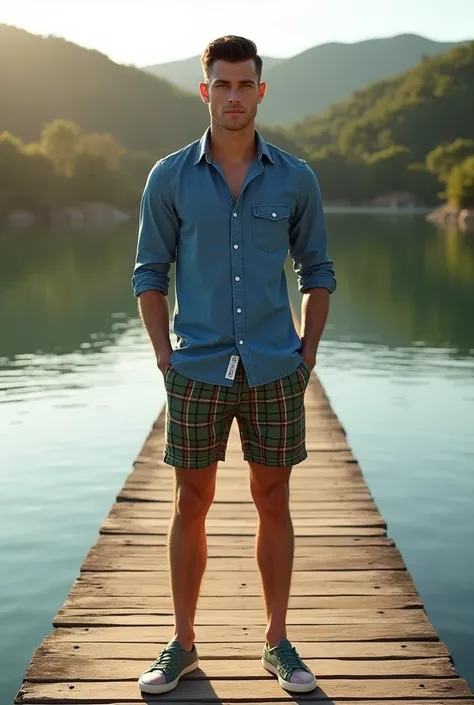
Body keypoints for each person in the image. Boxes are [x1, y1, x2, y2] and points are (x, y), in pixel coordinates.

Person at [132, 35, 336, 696]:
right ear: (205, 91)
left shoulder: (295, 177)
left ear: (260, 91)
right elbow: (148, 273)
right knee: (191, 501)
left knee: (273, 498)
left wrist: (308, 350)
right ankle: (183, 644)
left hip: (276, 366)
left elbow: (317, 270)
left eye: (245, 84)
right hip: (197, 367)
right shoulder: (169, 177)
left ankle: (277, 642)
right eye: (222, 84)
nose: (234, 96)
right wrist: (164, 355)